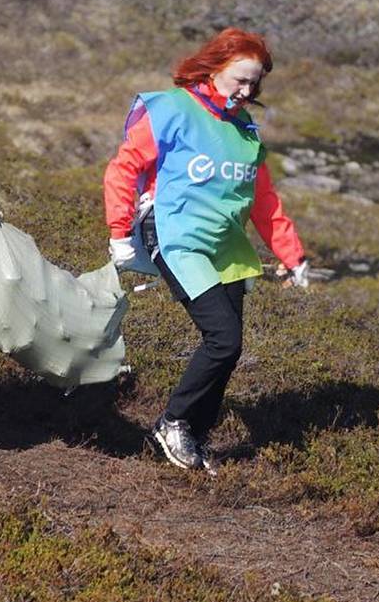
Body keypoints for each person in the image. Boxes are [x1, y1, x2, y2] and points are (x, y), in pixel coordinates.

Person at [103, 27, 310, 472]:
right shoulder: (172, 109)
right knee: (224, 338)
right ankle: (173, 421)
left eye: (255, 83)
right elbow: (123, 168)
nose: (247, 90)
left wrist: (294, 256)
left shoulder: (244, 131)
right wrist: (120, 232)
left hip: (226, 245)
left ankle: (195, 435)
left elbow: (264, 201)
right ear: (214, 68)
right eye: (239, 79)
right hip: (177, 236)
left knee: (229, 348)